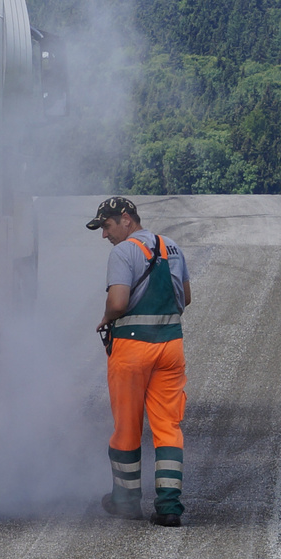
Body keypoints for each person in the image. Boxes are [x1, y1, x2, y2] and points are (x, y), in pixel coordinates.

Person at [88, 197, 193, 527]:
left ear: (125, 219)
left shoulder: (123, 252)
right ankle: (169, 506)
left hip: (133, 348)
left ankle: (126, 501)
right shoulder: (172, 247)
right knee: (168, 427)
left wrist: (105, 318)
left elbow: (119, 301)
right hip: (171, 345)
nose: (105, 235)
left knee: (127, 427)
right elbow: (185, 298)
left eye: (106, 226)